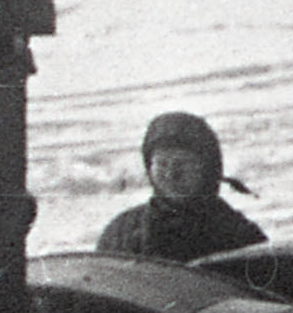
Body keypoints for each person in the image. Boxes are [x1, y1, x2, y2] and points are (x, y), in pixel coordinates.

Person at [96, 111, 265, 262]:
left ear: (207, 169)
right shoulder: (121, 233)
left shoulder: (238, 236)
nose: (171, 175)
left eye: (182, 164)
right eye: (162, 165)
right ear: (149, 168)